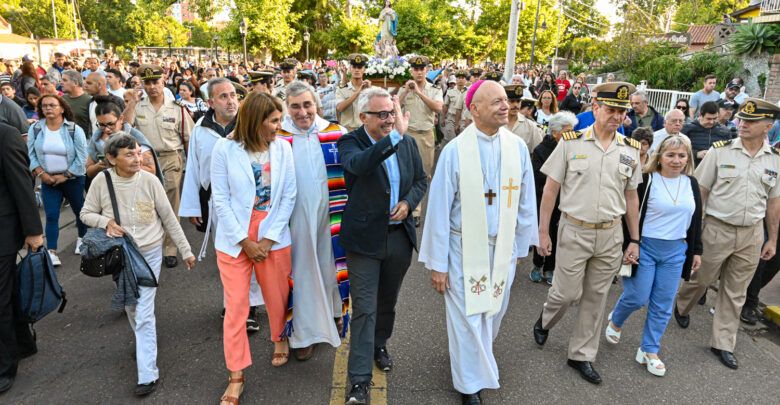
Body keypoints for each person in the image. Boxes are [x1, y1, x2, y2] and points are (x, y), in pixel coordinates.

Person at [419, 80, 538, 405]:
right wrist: (438, 264)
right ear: (475, 109)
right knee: (468, 317)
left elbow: (526, 201)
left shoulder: (517, 148)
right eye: (497, 101)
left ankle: (469, 361)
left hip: (501, 249)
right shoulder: (456, 151)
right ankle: (469, 384)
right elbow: (439, 209)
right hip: (462, 248)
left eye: (506, 100)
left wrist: (520, 247)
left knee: (492, 314)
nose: (506, 105)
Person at [533, 82, 642, 385]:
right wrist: (543, 232)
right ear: (595, 108)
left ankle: (581, 355)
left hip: (610, 235)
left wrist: (634, 239)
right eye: (611, 109)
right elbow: (550, 190)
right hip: (575, 229)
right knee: (567, 293)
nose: (617, 116)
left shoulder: (630, 150)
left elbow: (632, 197)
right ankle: (545, 321)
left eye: (622, 111)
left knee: (596, 298)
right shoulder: (571, 142)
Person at [80, 133, 195, 397]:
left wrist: (186, 250)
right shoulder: (101, 181)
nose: (137, 158)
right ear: (111, 159)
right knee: (132, 308)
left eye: (138, 152)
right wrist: (105, 223)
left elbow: (169, 218)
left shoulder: (150, 180)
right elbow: (85, 214)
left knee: (142, 312)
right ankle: (146, 344)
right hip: (121, 255)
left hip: (151, 254)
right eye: (129, 154)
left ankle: (148, 374)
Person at [674, 98, 780, 370]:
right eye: (742, 119)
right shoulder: (719, 152)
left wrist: (772, 238)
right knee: (702, 278)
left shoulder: (775, 161)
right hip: (717, 228)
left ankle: (722, 343)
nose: (741, 124)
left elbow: (773, 203)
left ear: (768, 126)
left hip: (751, 234)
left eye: (750, 122)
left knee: (735, 291)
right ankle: (682, 304)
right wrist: (693, 231)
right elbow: (700, 193)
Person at [338, 87, 427, 405]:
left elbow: (420, 179)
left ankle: (379, 344)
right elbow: (359, 166)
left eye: (392, 113)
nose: (390, 119)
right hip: (364, 240)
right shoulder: (351, 142)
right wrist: (393, 138)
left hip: (397, 237)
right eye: (383, 115)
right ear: (363, 117)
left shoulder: (408, 143)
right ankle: (359, 382)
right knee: (364, 309)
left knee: (386, 303)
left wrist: (407, 202)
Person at [211, 92, 296, 405]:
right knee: (235, 308)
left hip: (272, 235)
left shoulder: (283, 148)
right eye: (273, 120)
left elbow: (288, 196)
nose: (279, 125)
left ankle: (280, 337)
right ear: (255, 121)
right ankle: (236, 374)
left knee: (277, 296)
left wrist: (268, 240)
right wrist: (244, 241)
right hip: (235, 240)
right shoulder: (225, 148)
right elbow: (219, 198)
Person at [605, 134, 702, 376]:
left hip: (676, 250)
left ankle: (649, 350)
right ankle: (616, 319)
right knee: (638, 296)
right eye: (670, 155)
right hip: (645, 247)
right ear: (659, 157)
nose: (676, 160)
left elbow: (696, 221)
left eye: (682, 156)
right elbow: (630, 214)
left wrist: (696, 251)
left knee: (663, 305)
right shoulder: (646, 180)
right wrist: (630, 244)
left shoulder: (691, 184)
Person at [179, 78, 265, 331]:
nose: (231, 101)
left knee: (251, 251)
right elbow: (193, 167)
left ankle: (250, 305)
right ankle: (234, 303)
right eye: (224, 97)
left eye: (233, 95)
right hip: (217, 204)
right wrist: (194, 207)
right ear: (211, 102)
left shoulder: (249, 126)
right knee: (228, 255)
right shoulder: (200, 130)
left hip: (250, 203)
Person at [276, 81, 349, 360]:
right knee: (302, 274)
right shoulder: (278, 137)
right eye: (295, 106)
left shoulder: (336, 133)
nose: (302, 112)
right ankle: (303, 334)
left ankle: (333, 312)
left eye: (307, 104)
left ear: (316, 104)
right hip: (294, 222)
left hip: (330, 217)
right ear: (287, 108)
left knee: (331, 268)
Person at [124, 64, 195, 268]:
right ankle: (149, 244)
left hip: (171, 158)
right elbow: (126, 128)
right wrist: (131, 103)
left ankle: (170, 249)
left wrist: (191, 170)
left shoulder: (177, 107)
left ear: (163, 82)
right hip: (145, 159)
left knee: (171, 202)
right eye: (147, 83)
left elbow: (188, 138)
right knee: (147, 203)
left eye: (156, 82)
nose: (152, 86)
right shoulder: (138, 106)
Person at [0, 123, 43, 394]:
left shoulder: (5, 135)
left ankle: (5, 365)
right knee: (7, 294)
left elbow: (22, 184)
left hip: (3, 233)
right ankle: (24, 343)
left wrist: (33, 231)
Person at [27, 94, 88, 266]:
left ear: (62, 108)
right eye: (44, 106)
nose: (48, 108)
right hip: (48, 180)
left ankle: (82, 239)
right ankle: (52, 251)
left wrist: (66, 175)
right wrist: (40, 173)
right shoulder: (36, 129)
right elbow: (30, 153)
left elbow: (82, 157)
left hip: (72, 179)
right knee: (52, 215)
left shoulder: (74, 129)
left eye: (52, 105)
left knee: (79, 210)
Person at [530, 111, 578, 284]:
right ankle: (537, 264)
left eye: (573, 130)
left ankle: (550, 268)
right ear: (555, 132)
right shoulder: (541, 150)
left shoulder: (574, 148)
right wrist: (556, 178)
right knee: (543, 230)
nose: (571, 135)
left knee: (557, 234)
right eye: (567, 131)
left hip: (564, 200)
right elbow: (537, 176)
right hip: (543, 197)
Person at [399, 55, 443, 227]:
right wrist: (405, 91)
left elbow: (438, 108)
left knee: (424, 174)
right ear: (411, 71)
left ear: (426, 71)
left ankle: (417, 206)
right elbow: (395, 106)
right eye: (415, 69)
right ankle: (410, 208)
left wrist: (418, 92)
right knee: (406, 172)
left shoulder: (434, 89)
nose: (418, 72)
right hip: (408, 135)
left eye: (421, 69)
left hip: (425, 135)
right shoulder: (406, 88)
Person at [86, 96, 161, 182]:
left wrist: (121, 167)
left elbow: (151, 170)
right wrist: (98, 167)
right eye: (101, 125)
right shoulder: (96, 139)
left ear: (121, 119)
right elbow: (89, 172)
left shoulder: (135, 137)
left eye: (111, 124)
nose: (107, 129)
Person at [683, 101, 731, 166]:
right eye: (708, 119)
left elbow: (729, 152)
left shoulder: (724, 131)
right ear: (700, 115)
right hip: (693, 168)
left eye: (715, 118)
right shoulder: (687, 129)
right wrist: (696, 154)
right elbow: (678, 150)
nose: (711, 122)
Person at [336, 54, 371, 134]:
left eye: (359, 67)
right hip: (348, 131)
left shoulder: (370, 89)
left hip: (365, 130)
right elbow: (339, 108)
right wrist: (358, 92)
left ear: (364, 70)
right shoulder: (342, 89)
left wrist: (370, 91)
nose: (356, 70)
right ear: (350, 69)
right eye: (354, 67)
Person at [504, 84, 543, 152]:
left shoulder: (531, 126)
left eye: (518, 101)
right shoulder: (496, 124)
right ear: (505, 101)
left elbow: (537, 153)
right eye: (512, 101)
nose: (515, 105)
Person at [60, 69, 92, 137]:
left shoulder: (89, 100)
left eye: (65, 80)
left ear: (76, 83)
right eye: (61, 80)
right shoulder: (61, 99)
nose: (61, 82)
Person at [442, 70, 468, 144]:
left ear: (466, 80)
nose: (460, 80)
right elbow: (446, 105)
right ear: (456, 80)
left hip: (463, 120)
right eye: (458, 78)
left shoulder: (468, 91)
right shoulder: (450, 90)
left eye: (462, 78)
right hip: (451, 118)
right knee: (451, 141)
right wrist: (443, 118)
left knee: (462, 142)